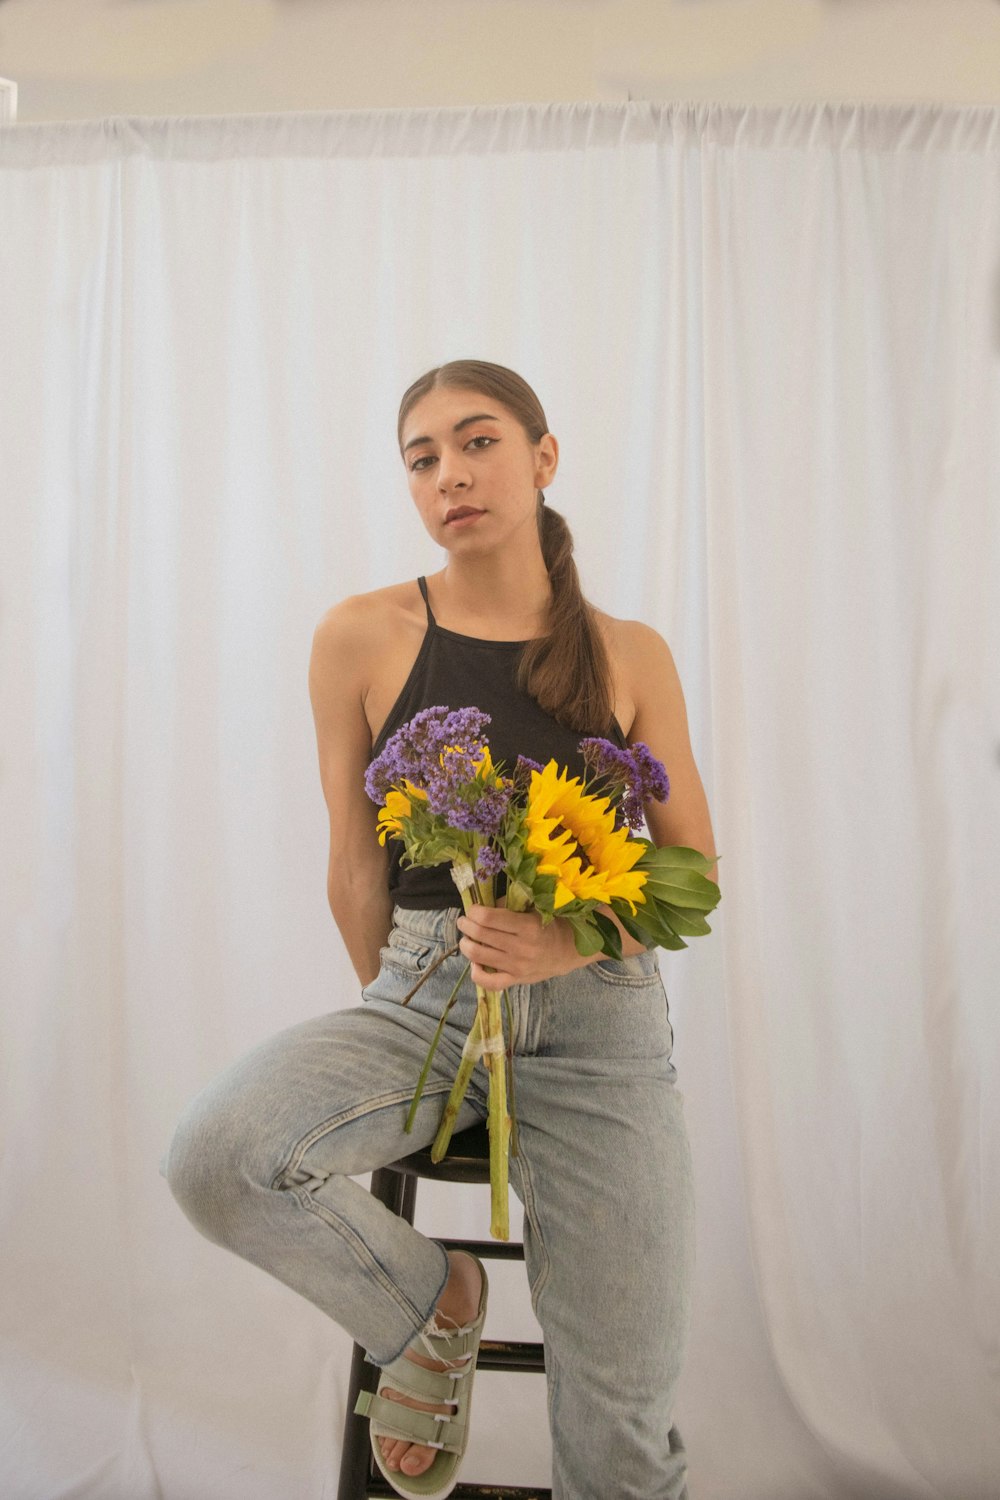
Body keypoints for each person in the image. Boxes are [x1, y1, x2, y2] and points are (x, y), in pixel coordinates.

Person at [162, 358, 718, 1500]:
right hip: (423, 993)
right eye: (422, 459)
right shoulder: (361, 635)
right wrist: (413, 1004)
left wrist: (572, 945)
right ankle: (430, 1304)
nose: (450, 475)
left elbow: (693, 869)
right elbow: (353, 862)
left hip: (600, 1028)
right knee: (217, 1159)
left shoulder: (629, 650)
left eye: (477, 443)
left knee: (621, 1438)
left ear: (542, 458)